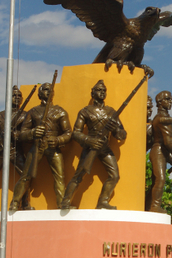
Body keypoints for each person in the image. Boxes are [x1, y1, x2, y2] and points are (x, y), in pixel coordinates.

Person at [61, 80, 127, 210]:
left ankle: (103, 201)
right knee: (79, 175)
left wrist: (116, 130)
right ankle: (65, 201)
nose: (102, 92)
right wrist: (89, 141)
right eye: (99, 90)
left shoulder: (111, 112)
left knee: (114, 176)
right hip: (90, 147)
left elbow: (122, 134)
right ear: (93, 93)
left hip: (105, 148)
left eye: (104, 90)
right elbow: (76, 133)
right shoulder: (85, 111)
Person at [10, 82, 71, 211]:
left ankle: (62, 203)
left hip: (53, 146)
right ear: (39, 93)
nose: (49, 92)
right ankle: (15, 203)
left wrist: (59, 140)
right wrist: (33, 132)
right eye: (46, 90)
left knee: (60, 177)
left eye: (51, 90)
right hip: (37, 146)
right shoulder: (33, 112)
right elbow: (22, 134)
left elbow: (68, 132)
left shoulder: (60, 111)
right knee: (25, 176)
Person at [147, 91, 172, 214]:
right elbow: (168, 142)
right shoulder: (164, 119)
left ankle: (149, 205)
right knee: (160, 179)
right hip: (158, 151)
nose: (170, 102)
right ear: (159, 102)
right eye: (167, 99)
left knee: (156, 181)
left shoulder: (159, 118)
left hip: (160, 151)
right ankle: (155, 206)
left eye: (171, 99)